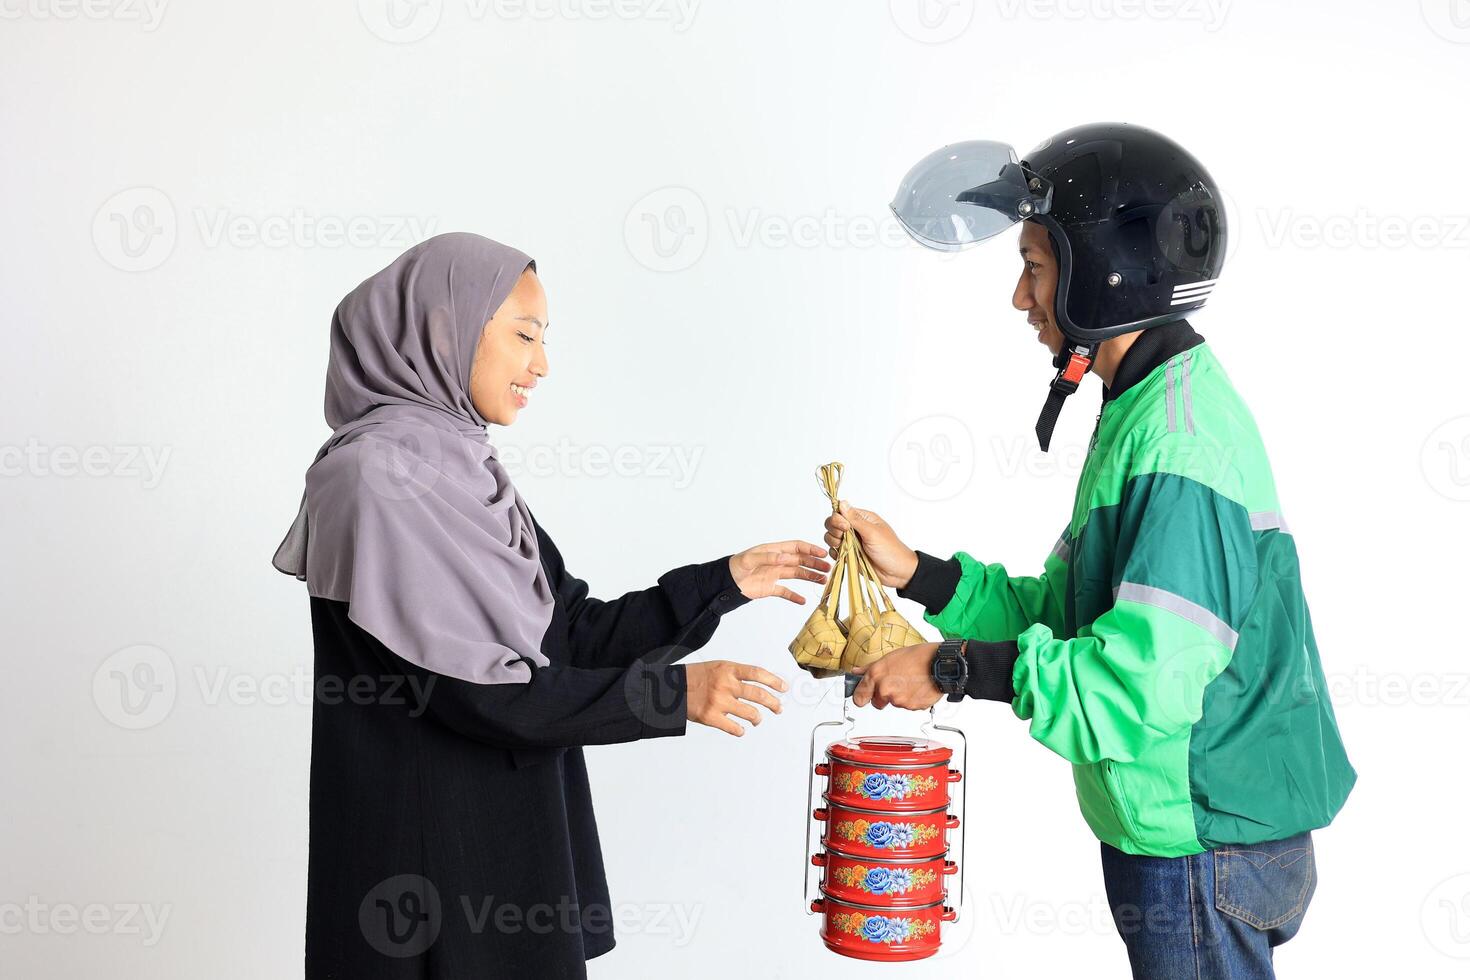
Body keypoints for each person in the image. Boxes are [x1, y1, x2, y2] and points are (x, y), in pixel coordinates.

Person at [823, 124, 1355, 979]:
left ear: (1101, 274)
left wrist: (953, 669)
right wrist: (918, 574)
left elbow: (1133, 681)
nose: (1020, 298)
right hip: (1193, 832)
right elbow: (1071, 614)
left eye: (1033, 266)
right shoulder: (1144, 408)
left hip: (1199, 844)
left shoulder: (1181, 445)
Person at [272, 232, 829, 977]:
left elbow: (570, 634)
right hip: (427, 877)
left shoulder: (466, 471)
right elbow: (478, 692)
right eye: (524, 335)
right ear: (447, 328)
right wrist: (672, 696)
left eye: (545, 338)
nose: (541, 363)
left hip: (508, 855)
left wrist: (720, 582)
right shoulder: (376, 478)